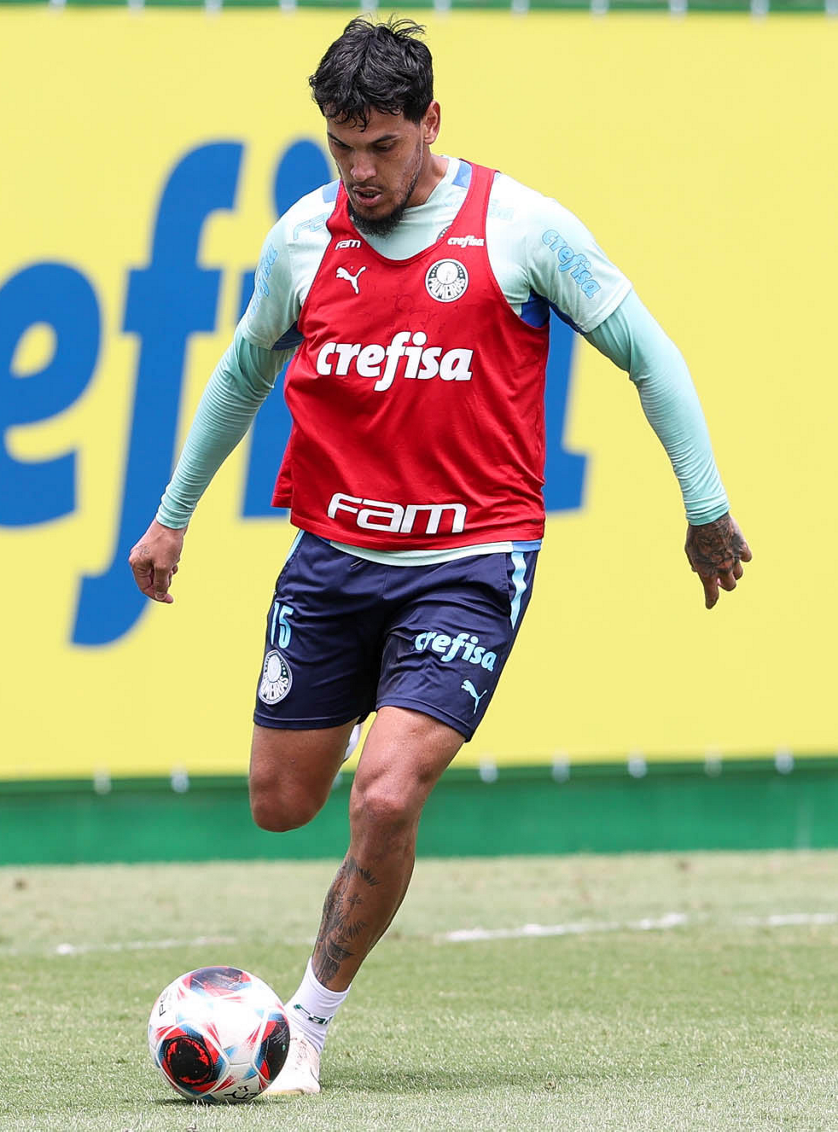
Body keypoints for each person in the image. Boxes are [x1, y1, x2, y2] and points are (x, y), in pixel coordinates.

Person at [128, 18, 750, 1095]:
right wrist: (171, 516)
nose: (361, 171)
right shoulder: (302, 238)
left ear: (430, 123)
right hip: (332, 557)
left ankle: (306, 1026)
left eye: (382, 145)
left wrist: (704, 506)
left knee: (383, 797)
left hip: (470, 560)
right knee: (281, 801)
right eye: (341, 147)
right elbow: (240, 373)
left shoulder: (521, 228)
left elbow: (651, 355)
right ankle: (370, 714)